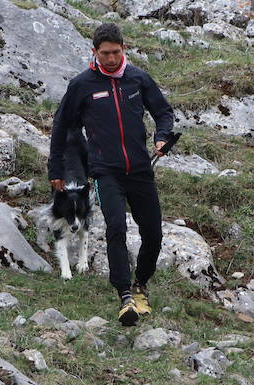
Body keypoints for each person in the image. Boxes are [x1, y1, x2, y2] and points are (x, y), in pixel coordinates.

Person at [48, 22, 175, 326]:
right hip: (106, 172)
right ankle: (124, 297)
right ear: (94, 52)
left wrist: (162, 136)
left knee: (153, 234)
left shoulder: (138, 79)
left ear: (124, 50)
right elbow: (61, 126)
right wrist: (56, 167)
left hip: (141, 168)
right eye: (104, 53)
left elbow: (163, 112)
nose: (110, 59)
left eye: (116, 52)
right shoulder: (82, 85)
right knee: (116, 228)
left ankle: (140, 284)